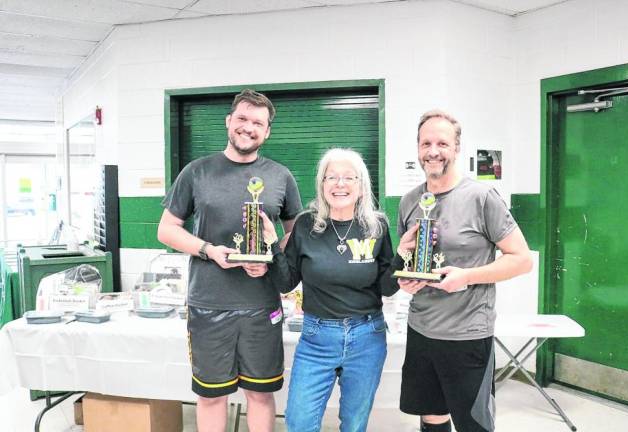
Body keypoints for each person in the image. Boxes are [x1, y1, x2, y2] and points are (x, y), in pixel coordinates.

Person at [157, 89, 302, 432]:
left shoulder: (281, 176)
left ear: (267, 132)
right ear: (228, 122)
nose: (248, 127)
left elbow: (297, 234)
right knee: (210, 397)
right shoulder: (197, 172)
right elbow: (166, 230)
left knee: (260, 395)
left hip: (260, 305)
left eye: (257, 123)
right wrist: (208, 250)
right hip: (208, 304)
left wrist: (270, 256)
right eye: (242, 118)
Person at [396, 110, 533, 432]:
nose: (433, 151)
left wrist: (467, 276)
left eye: (442, 143)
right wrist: (406, 275)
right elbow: (412, 258)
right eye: (426, 142)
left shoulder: (482, 197)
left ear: (457, 148)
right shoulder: (410, 201)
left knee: (474, 423)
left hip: (468, 334)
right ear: (417, 148)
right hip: (421, 329)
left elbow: (522, 259)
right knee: (431, 416)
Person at [262, 148, 403, 432]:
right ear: (322, 185)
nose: (340, 184)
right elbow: (286, 282)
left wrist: (404, 256)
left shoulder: (376, 226)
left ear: (361, 186)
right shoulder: (305, 224)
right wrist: (271, 246)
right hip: (316, 337)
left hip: (367, 337)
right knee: (298, 422)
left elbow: (387, 287)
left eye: (349, 178)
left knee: (353, 424)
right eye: (332, 178)